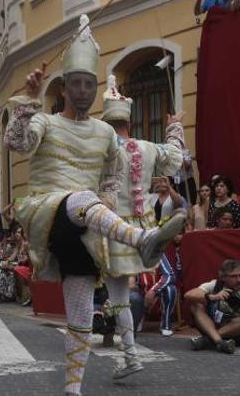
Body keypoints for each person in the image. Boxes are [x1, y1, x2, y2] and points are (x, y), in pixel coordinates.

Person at [3, 15, 186, 395]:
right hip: (46, 211)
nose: (84, 91)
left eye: (90, 84)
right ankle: (142, 239)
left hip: (84, 227)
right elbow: (16, 143)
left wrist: (106, 199)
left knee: (82, 311)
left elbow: (110, 178)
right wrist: (26, 101)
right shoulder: (45, 122)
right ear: (65, 88)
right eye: (77, 84)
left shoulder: (105, 134)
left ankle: (72, 389)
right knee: (79, 198)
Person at [99, 75, 185, 377]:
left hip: (110, 229)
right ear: (128, 122)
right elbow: (175, 158)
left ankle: (131, 355)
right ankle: (129, 354)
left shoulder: (102, 151)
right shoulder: (147, 147)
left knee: (117, 294)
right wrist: (174, 127)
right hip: (141, 224)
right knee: (119, 294)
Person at [185, 259, 240, 354]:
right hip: (213, 325)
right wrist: (212, 297)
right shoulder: (215, 285)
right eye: (233, 276)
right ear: (223, 277)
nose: (239, 280)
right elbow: (188, 295)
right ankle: (220, 342)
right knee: (196, 306)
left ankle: (208, 340)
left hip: (236, 331)